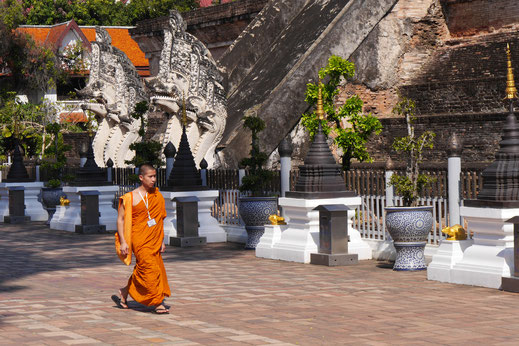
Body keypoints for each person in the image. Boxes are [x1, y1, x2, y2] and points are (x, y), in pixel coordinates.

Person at [111, 163, 171, 314]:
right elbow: (120, 220)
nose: (153, 180)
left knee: (145, 268)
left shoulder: (157, 195)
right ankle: (157, 302)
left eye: (155, 176)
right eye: (150, 177)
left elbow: (160, 219)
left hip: (154, 238)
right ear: (141, 177)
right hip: (139, 239)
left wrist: (162, 240)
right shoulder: (130, 197)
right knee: (149, 268)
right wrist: (124, 241)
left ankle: (124, 292)